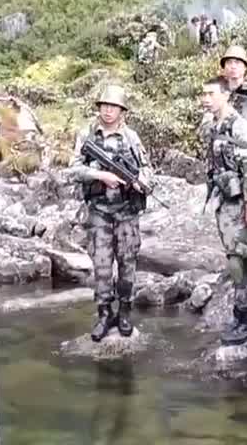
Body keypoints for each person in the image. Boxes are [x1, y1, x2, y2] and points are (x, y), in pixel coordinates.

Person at [68, 84, 153, 342]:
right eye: (104, 106)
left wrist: (139, 182)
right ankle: (104, 314)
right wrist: (101, 175)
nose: (107, 111)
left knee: (127, 264)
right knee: (102, 266)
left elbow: (148, 170)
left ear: (122, 111)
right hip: (99, 213)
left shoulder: (131, 138)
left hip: (127, 213)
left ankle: (124, 312)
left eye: (113, 107)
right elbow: (73, 169)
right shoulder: (87, 135)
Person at [201, 76, 247, 345]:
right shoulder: (213, 124)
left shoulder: (240, 126)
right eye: (203, 94)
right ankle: (242, 314)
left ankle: (246, 319)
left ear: (226, 95)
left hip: (239, 203)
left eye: (211, 94)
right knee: (235, 256)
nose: (205, 99)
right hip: (223, 200)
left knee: (239, 260)